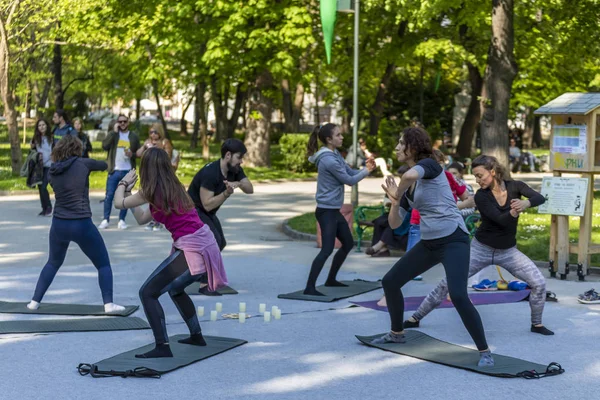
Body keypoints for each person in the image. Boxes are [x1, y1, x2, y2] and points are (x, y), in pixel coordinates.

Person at [372, 126, 493, 368]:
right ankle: (397, 333)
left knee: (458, 295)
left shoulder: (430, 166)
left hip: (453, 239)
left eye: (400, 143)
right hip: (429, 242)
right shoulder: (409, 187)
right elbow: (395, 225)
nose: (396, 147)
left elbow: (407, 177)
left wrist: (401, 189)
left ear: (413, 148)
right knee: (390, 282)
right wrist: (396, 201)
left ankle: (485, 351)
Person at [404, 155, 553, 335]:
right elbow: (500, 220)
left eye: (480, 175)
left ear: (492, 171)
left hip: (508, 252)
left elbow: (539, 197)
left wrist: (526, 202)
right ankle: (416, 317)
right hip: (480, 249)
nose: (477, 180)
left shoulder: (516, 186)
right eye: (474, 176)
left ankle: (536, 324)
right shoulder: (482, 196)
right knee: (447, 283)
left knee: (539, 283)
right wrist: (514, 213)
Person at [114, 147, 227, 358]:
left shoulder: (151, 191)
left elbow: (117, 203)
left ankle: (162, 346)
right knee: (175, 290)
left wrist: (122, 183)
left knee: (147, 293)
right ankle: (196, 335)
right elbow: (141, 218)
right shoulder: (173, 186)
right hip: (204, 244)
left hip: (193, 249)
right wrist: (130, 192)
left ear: (146, 168)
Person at [27, 135, 125, 313]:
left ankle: (34, 302)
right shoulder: (83, 164)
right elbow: (104, 165)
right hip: (81, 224)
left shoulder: (52, 172)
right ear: (77, 149)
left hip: (59, 224)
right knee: (103, 264)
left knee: (53, 263)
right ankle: (109, 304)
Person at [304, 123, 376, 296]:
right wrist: (367, 171)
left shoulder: (334, 155)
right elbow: (349, 180)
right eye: (338, 135)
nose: (342, 137)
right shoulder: (328, 159)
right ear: (329, 139)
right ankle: (309, 288)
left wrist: (365, 169)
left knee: (348, 243)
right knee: (327, 249)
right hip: (326, 211)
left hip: (333, 210)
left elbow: (350, 172)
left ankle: (330, 280)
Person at [187, 138, 253, 296]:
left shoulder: (234, 170)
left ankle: (196, 272)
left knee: (221, 242)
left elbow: (249, 189)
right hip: (193, 211)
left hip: (207, 212)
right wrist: (226, 193)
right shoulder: (211, 173)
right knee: (213, 241)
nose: (241, 161)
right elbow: (207, 204)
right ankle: (204, 284)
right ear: (228, 155)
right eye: (239, 157)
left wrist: (239, 183)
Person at [98, 114, 140, 230]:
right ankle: (105, 219)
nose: (122, 124)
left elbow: (139, 151)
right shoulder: (114, 135)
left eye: (124, 121)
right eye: (120, 122)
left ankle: (122, 220)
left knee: (124, 196)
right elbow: (104, 146)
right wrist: (113, 132)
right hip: (114, 170)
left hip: (127, 170)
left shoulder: (133, 136)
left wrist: (133, 154)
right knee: (109, 196)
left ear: (128, 122)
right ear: (117, 123)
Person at [136, 123, 175, 231]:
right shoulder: (147, 142)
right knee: (151, 197)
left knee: (159, 197)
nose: (153, 134)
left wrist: (158, 148)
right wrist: (144, 146)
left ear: (160, 132)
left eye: (155, 132)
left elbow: (168, 157)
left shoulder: (164, 142)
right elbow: (138, 154)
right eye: (151, 132)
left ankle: (158, 220)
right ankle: (154, 219)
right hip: (149, 173)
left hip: (161, 174)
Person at [365, 165, 411, 257]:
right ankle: (382, 249)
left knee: (391, 223)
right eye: (400, 177)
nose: (401, 179)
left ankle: (379, 247)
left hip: (407, 215)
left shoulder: (412, 186)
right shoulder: (402, 186)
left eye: (403, 177)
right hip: (397, 211)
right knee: (379, 221)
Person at [30, 119, 54, 216]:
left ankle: (49, 207)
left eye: (43, 125)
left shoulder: (51, 137)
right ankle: (44, 208)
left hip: (50, 165)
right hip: (40, 166)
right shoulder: (36, 138)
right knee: (40, 187)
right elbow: (32, 149)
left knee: (44, 186)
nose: (42, 127)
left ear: (47, 126)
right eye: (39, 125)